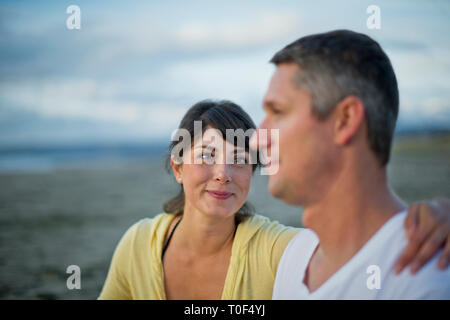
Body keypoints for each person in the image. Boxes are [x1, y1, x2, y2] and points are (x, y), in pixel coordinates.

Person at [99, 100, 450, 300]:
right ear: (178, 168)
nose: (223, 173)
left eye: (239, 159)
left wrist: (431, 215)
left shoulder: (273, 249)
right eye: (206, 155)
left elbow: (359, 249)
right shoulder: (139, 244)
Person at [247, 29, 450, 299]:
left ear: (345, 120)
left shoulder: (426, 281)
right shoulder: (293, 259)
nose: (256, 140)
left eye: (279, 112)